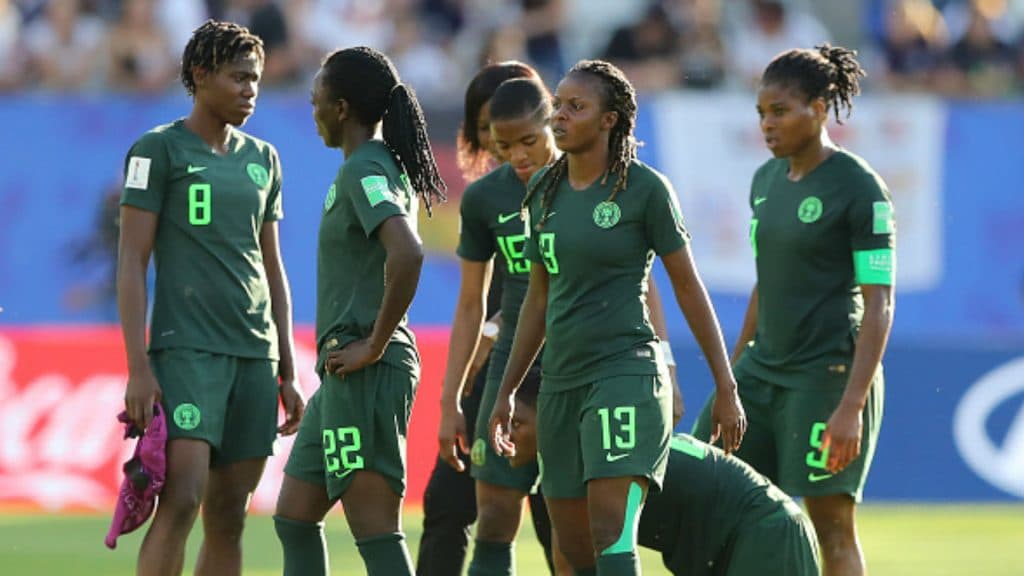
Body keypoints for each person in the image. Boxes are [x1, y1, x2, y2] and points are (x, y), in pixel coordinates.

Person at [489, 59, 746, 575]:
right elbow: (537, 300)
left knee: (611, 532)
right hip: (561, 384)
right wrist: (506, 391)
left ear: (609, 120)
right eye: (557, 105)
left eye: (576, 107)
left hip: (624, 373)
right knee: (572, 548)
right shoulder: (543, 192)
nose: (559, 116)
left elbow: (688, 288)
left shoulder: (644, 189)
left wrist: (726, 385)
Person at [693, 45, 894, 576]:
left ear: (819, 109)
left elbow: (880, 302)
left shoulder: (859, 188)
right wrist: (731, 377)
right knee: (712, 494)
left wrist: (851, 406)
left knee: (831, 526)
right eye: (761, 112)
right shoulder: (765, 181)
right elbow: (766, 284)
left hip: (825, 377)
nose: (767, 124)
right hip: (762, 372)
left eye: (780, 111)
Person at [117, 20, 303, 576]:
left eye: (256, 79)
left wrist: (288, 367)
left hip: (254, 355)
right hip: (187, 352)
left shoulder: (264, 158)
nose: (250, 89)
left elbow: (272, 268)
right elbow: (131, 261)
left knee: (229, 516)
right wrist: (138, 367)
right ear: (200, 76)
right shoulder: (157, 149)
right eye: (238, 77)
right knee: (181, 499)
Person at [274, 46, 446, 576]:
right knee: (295, 516)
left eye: (316, 100)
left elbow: (408, 252)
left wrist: (374, 343)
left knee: (374, 528)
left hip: (366, 368)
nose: (313, 111)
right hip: (341, 371)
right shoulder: (371, 166)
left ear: (341, 107)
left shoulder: (366, 168)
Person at [421, 61, 558, 576]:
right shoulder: (486, 201)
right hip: (497, 372)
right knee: (456, 505)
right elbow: (471, 302)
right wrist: (453, 396)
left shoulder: (583, 182)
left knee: (560, 519)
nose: (503, 144)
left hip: (564, 363)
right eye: (488, 129)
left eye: (522, 133)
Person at [507, 372, 821, 576]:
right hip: (727, 547)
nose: (507, 434)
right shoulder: (564, 473)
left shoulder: (599, 459)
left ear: (550, 418)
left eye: (517, 422)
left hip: (767, 532)